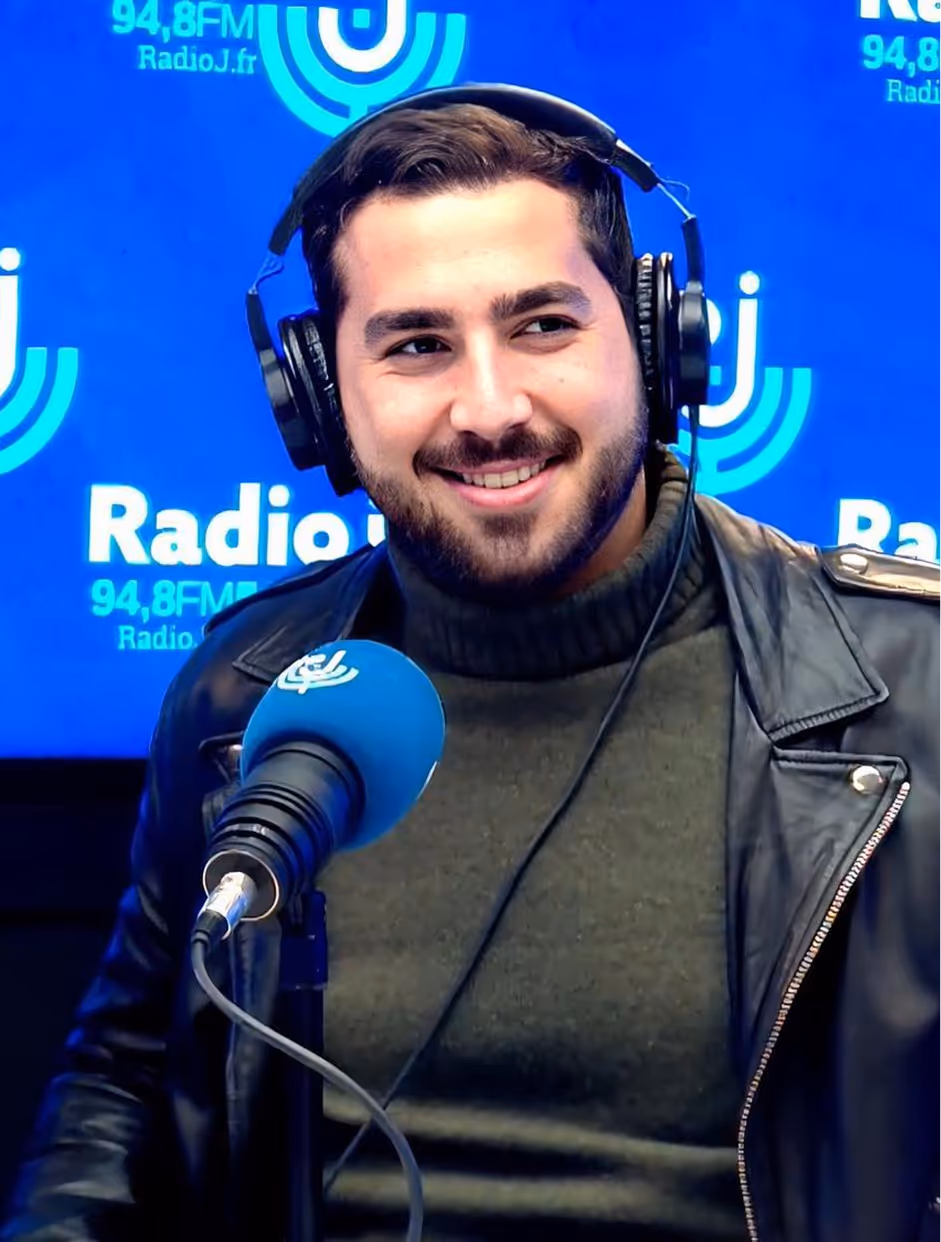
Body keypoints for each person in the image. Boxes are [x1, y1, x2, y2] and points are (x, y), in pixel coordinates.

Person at [4, 83, 941, 1242]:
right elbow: (123, 1086)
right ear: (319, 402)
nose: (488, 408)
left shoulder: (910, 686)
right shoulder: (245, 691)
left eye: (542, 325)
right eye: (416, 346)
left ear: (655, 341)